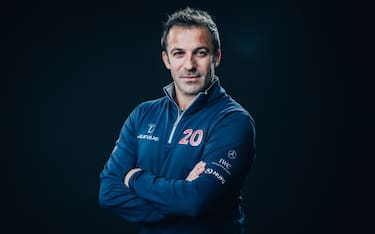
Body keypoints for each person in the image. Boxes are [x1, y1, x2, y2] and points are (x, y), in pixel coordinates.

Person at [99, 7, 256, 234]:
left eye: (200, 53)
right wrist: (180, 199)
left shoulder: (233, 121)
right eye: (179, 53)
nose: (189, 65)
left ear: (217, 57)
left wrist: (135, 178)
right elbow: (108, 193)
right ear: (166, 59)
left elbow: (197, 201)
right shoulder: (143, 115)